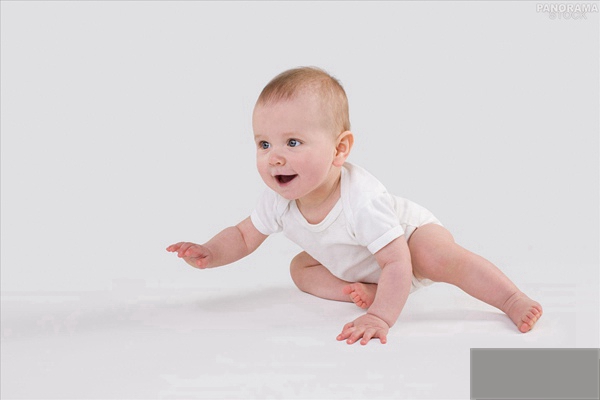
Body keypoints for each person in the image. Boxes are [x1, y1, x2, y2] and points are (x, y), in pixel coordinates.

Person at [167, 66, 542, 346]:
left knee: (436, 257)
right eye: (264, 144)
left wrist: (380, 317)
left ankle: (510, 297)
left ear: (340, 149)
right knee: (300, 269)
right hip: (368, 263)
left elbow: (397, 261)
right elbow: (243, 236)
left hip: (407, 242)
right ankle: (371, 288)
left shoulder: (361, 199)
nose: (274, 157)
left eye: (293, 142)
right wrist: (210, 252)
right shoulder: (279, 200)